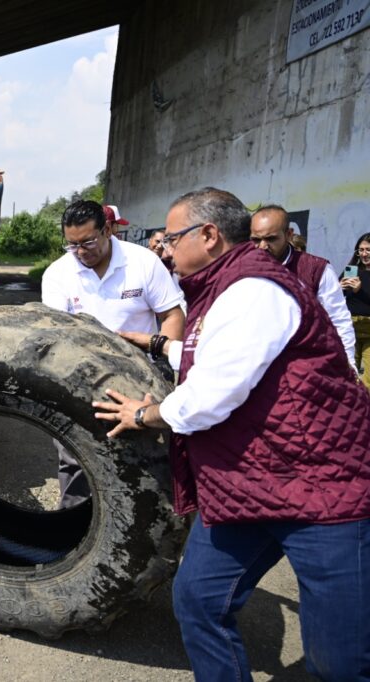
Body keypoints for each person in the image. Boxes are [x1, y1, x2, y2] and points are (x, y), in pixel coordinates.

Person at [94, 187, 370, 681]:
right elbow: (213, 354)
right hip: (250, 486)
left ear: (208, 235)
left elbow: (213, 394)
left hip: (320, 491)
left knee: (341, 660)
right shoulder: (220, 288)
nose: (164, 249)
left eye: (172, 238)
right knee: (199, 601)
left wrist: (145, 415)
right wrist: (158, 344)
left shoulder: (253, 289)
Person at [41, 199, 184, 508]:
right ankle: (73, 532)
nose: (80, 252)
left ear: (107, 231)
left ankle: (145, 533)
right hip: (79, 381)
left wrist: (158, 366)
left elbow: (172, 315)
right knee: (74, 459)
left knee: (143, 460)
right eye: (72, 245)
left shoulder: (143, 262)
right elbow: (57, 335)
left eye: (88, 242)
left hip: (139, 380)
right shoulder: (58, 274)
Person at [250, 204, 356, 367]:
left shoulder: (316, 270)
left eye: (271, 239)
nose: (262, 246)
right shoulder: (242, 269)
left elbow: (338, 320)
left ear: (289, 234)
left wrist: (348, 365)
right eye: (256, 240)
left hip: (302, 365)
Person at [342, 231, 370, 389]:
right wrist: (339, 288)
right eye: (361, 250)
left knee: (368, 377)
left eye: (368, 250)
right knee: (348, 372)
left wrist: (361, 290)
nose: (364, 254)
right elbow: (338, 297)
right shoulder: (352, 269)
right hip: (351, 327)